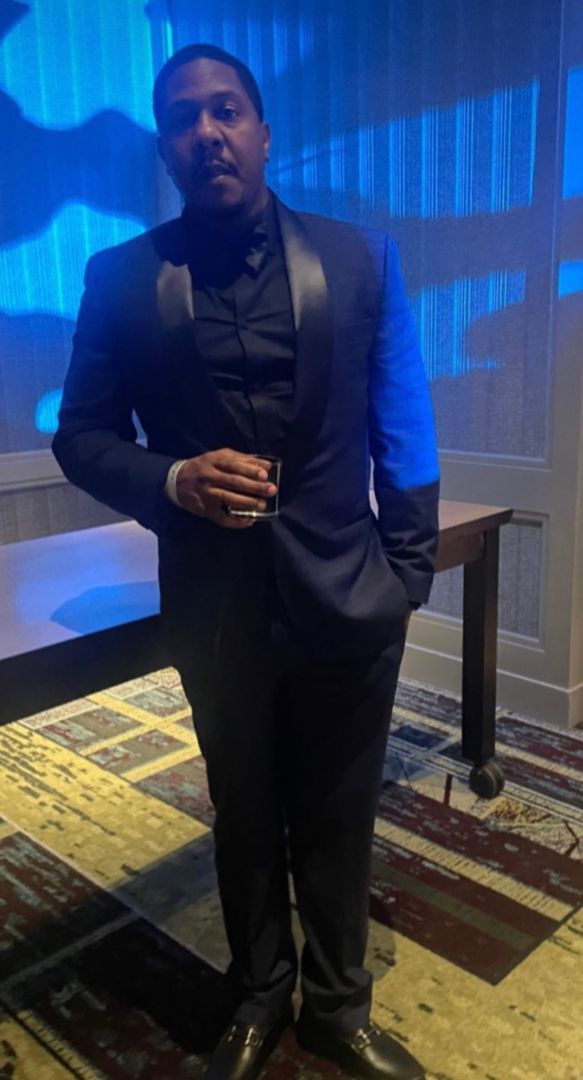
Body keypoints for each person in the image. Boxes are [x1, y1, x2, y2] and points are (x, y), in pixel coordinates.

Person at [53, 43, 439, 1080]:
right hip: (214, 604)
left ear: (264, 132)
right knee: (244, 808)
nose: (206, 132)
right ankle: (260, 990)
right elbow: (81, 436)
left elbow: (404, 421)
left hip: (348, 594)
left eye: (226, 110)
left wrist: (405, 575)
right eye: (183, 118)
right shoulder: (119, 279)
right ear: (166, 148)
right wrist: (173, 478)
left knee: (338, 811)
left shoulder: (360, 260)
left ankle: (338, 1007)